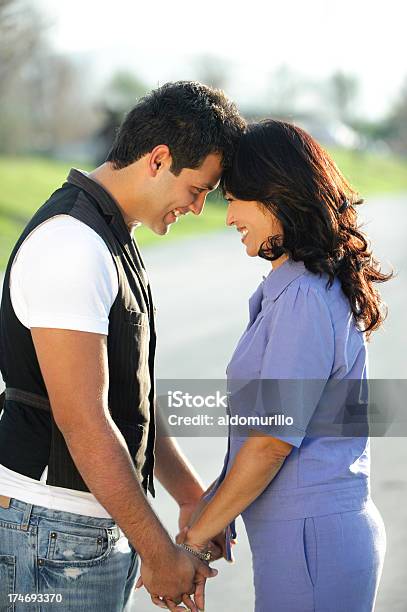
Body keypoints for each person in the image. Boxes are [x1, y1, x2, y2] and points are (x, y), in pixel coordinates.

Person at [0, 81, 245, 611]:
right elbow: (84, 420)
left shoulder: (109, 236)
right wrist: (158, 552)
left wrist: (190, 496)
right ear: (158, 159)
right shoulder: (72, 243)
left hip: (74, 528)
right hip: (49, 530)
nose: (199, 208)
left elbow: (129, 399)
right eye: (199, 189)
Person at [178, 120, 391, 612]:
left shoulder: (302, 299)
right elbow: (258, 439)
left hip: (314, 546)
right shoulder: (291, 290)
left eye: (235, 199)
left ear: (277, 198)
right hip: (306, 542)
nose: (228, 216)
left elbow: (272, 443)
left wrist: (191, 543)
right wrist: (213, 512)